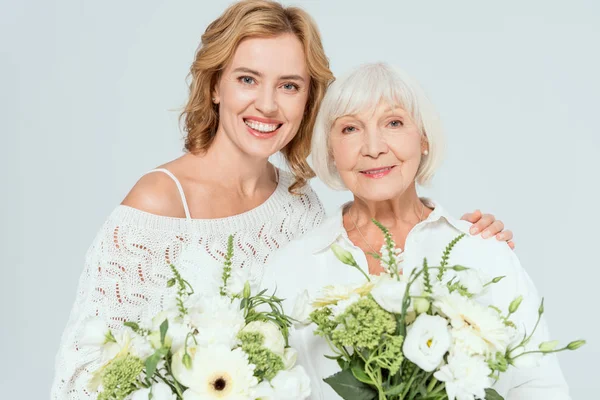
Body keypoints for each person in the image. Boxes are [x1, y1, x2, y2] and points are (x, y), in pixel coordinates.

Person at [50, 2, 513, 398]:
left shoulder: (299, 203)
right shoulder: (159, 205)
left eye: (289, 85)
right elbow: (79, 379)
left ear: (308, 99)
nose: (268, 105)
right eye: (248, 80)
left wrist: (463, 238)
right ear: (215, 86)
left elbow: (353, 303)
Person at [261, 62, 569, 399]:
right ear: (331, 150)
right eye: (350, 129)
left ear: (423, 138)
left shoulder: (483, 249)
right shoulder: (288, 268)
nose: (374, 147)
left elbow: (538, 385)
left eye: (393, 123)